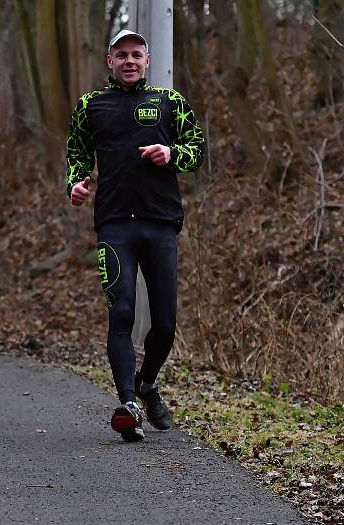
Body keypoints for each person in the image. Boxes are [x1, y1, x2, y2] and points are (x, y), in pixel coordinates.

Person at [66, 30, 204, 441]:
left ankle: (147, 383)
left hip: (160, 222)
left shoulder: (170, 102)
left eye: (136, 55)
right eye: (121, 55)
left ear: (147, 60)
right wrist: (76, 182)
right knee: (121, 311)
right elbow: (76, 153)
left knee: (164, 323)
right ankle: (127, 403)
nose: (129, 61)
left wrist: (171, 154)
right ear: (109, 61)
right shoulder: (90, 105)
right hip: (114, 224)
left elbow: (196, 148)